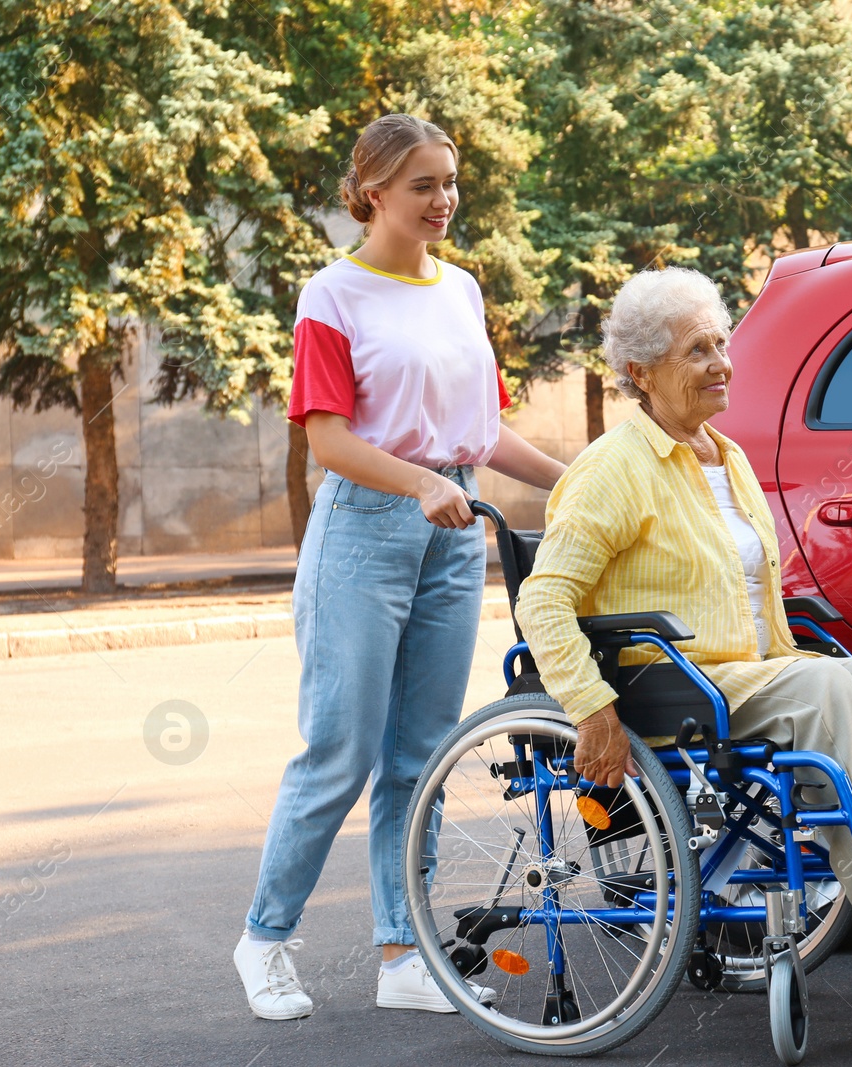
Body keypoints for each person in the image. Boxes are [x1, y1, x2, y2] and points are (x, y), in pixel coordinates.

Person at [516, 266, 852, 950]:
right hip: (674, 681)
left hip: (751, 670)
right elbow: (542, 598)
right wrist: (591, 709)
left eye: (721, 344)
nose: (721, 363)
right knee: (829, 686)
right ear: (642, 371)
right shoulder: (611, 470)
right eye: (697, 351)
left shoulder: (728, 456)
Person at [234, 114, 566, 1021]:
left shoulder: (461, 289)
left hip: (454, 526)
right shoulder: (331, 296)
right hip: (367, 527)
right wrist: (420, 481)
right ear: (373, 191)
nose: (444, 199)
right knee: (339, 749)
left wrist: (571, 481)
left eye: (450, 181)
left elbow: (484, 431)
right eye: (423, 184)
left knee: (420, 756)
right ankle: (265, 939)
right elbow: (330, 439)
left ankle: (402, 950)